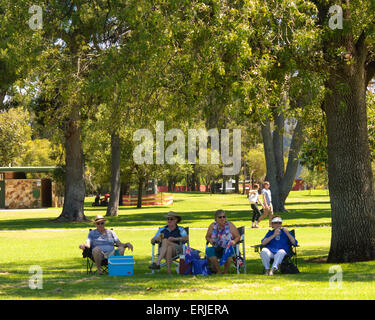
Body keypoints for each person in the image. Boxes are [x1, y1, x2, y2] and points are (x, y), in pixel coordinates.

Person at [205, 209, 240, 274]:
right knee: (209, 250)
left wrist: (234, 241)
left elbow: (238, 236)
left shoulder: (230, 225)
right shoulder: (212, 226)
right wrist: (210, 240)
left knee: (227, 251)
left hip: (229, 247)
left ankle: (225, 272)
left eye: (224, 216)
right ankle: (219, 271)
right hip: (217, 248)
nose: (222, 218)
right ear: (216, 218)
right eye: (220, 217)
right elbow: (207, 236)